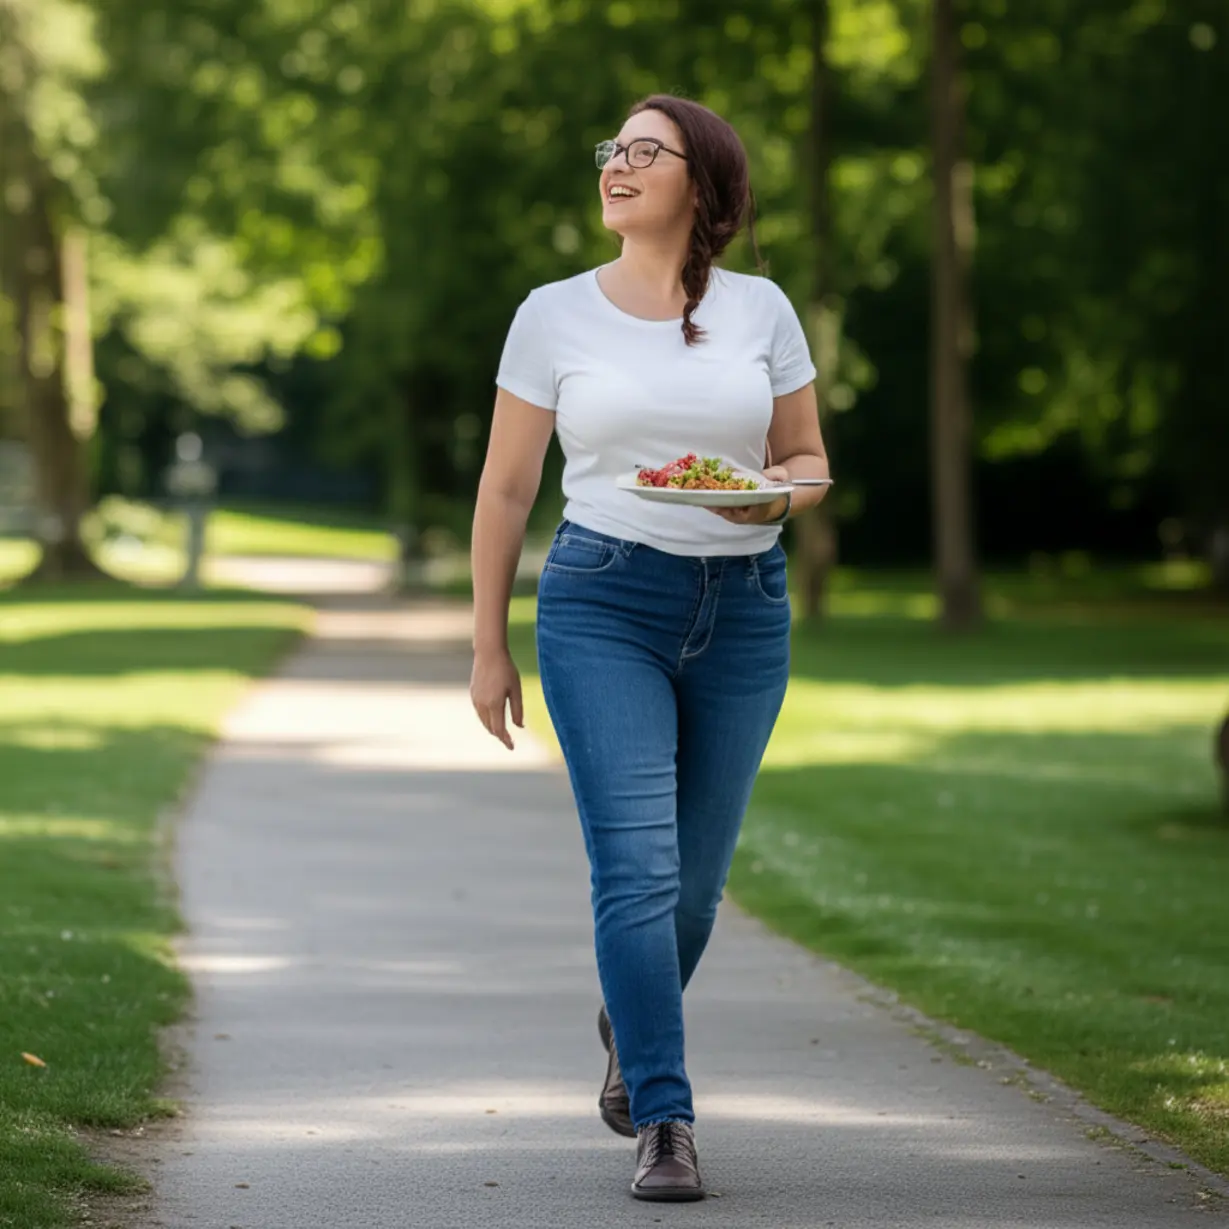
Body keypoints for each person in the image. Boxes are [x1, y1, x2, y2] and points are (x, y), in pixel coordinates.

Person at [469, 93, 830, 1202]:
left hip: (745, 607)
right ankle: (663, 1119)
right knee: (637, 866)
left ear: (700, 180)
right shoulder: (552, 314)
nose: (615, 164)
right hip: (603, 601)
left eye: (644, 150)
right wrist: (487, 644)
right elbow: (507, 486)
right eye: (611, 149)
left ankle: (630, 1014)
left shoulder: (761, 309)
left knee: (696, 888)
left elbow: (805, 457)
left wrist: (771, 501)